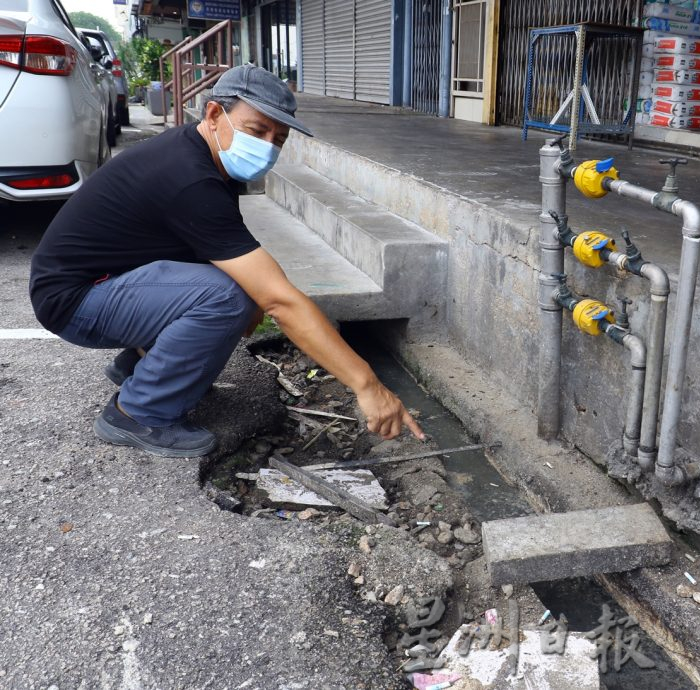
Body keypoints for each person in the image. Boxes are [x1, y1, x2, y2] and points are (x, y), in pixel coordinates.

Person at [29, 65, 424, 458]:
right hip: (76, 301)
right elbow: (279, 302)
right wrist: (367, 385)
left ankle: (139, 365)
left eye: (279, 138)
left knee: (242, 290)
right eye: (257, 131)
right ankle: (138, 412)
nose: (268, 146)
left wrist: (255, 300)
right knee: (227, 297)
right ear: (215, 114)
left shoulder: (203, 154)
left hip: (107, 280)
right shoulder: (190, 178)